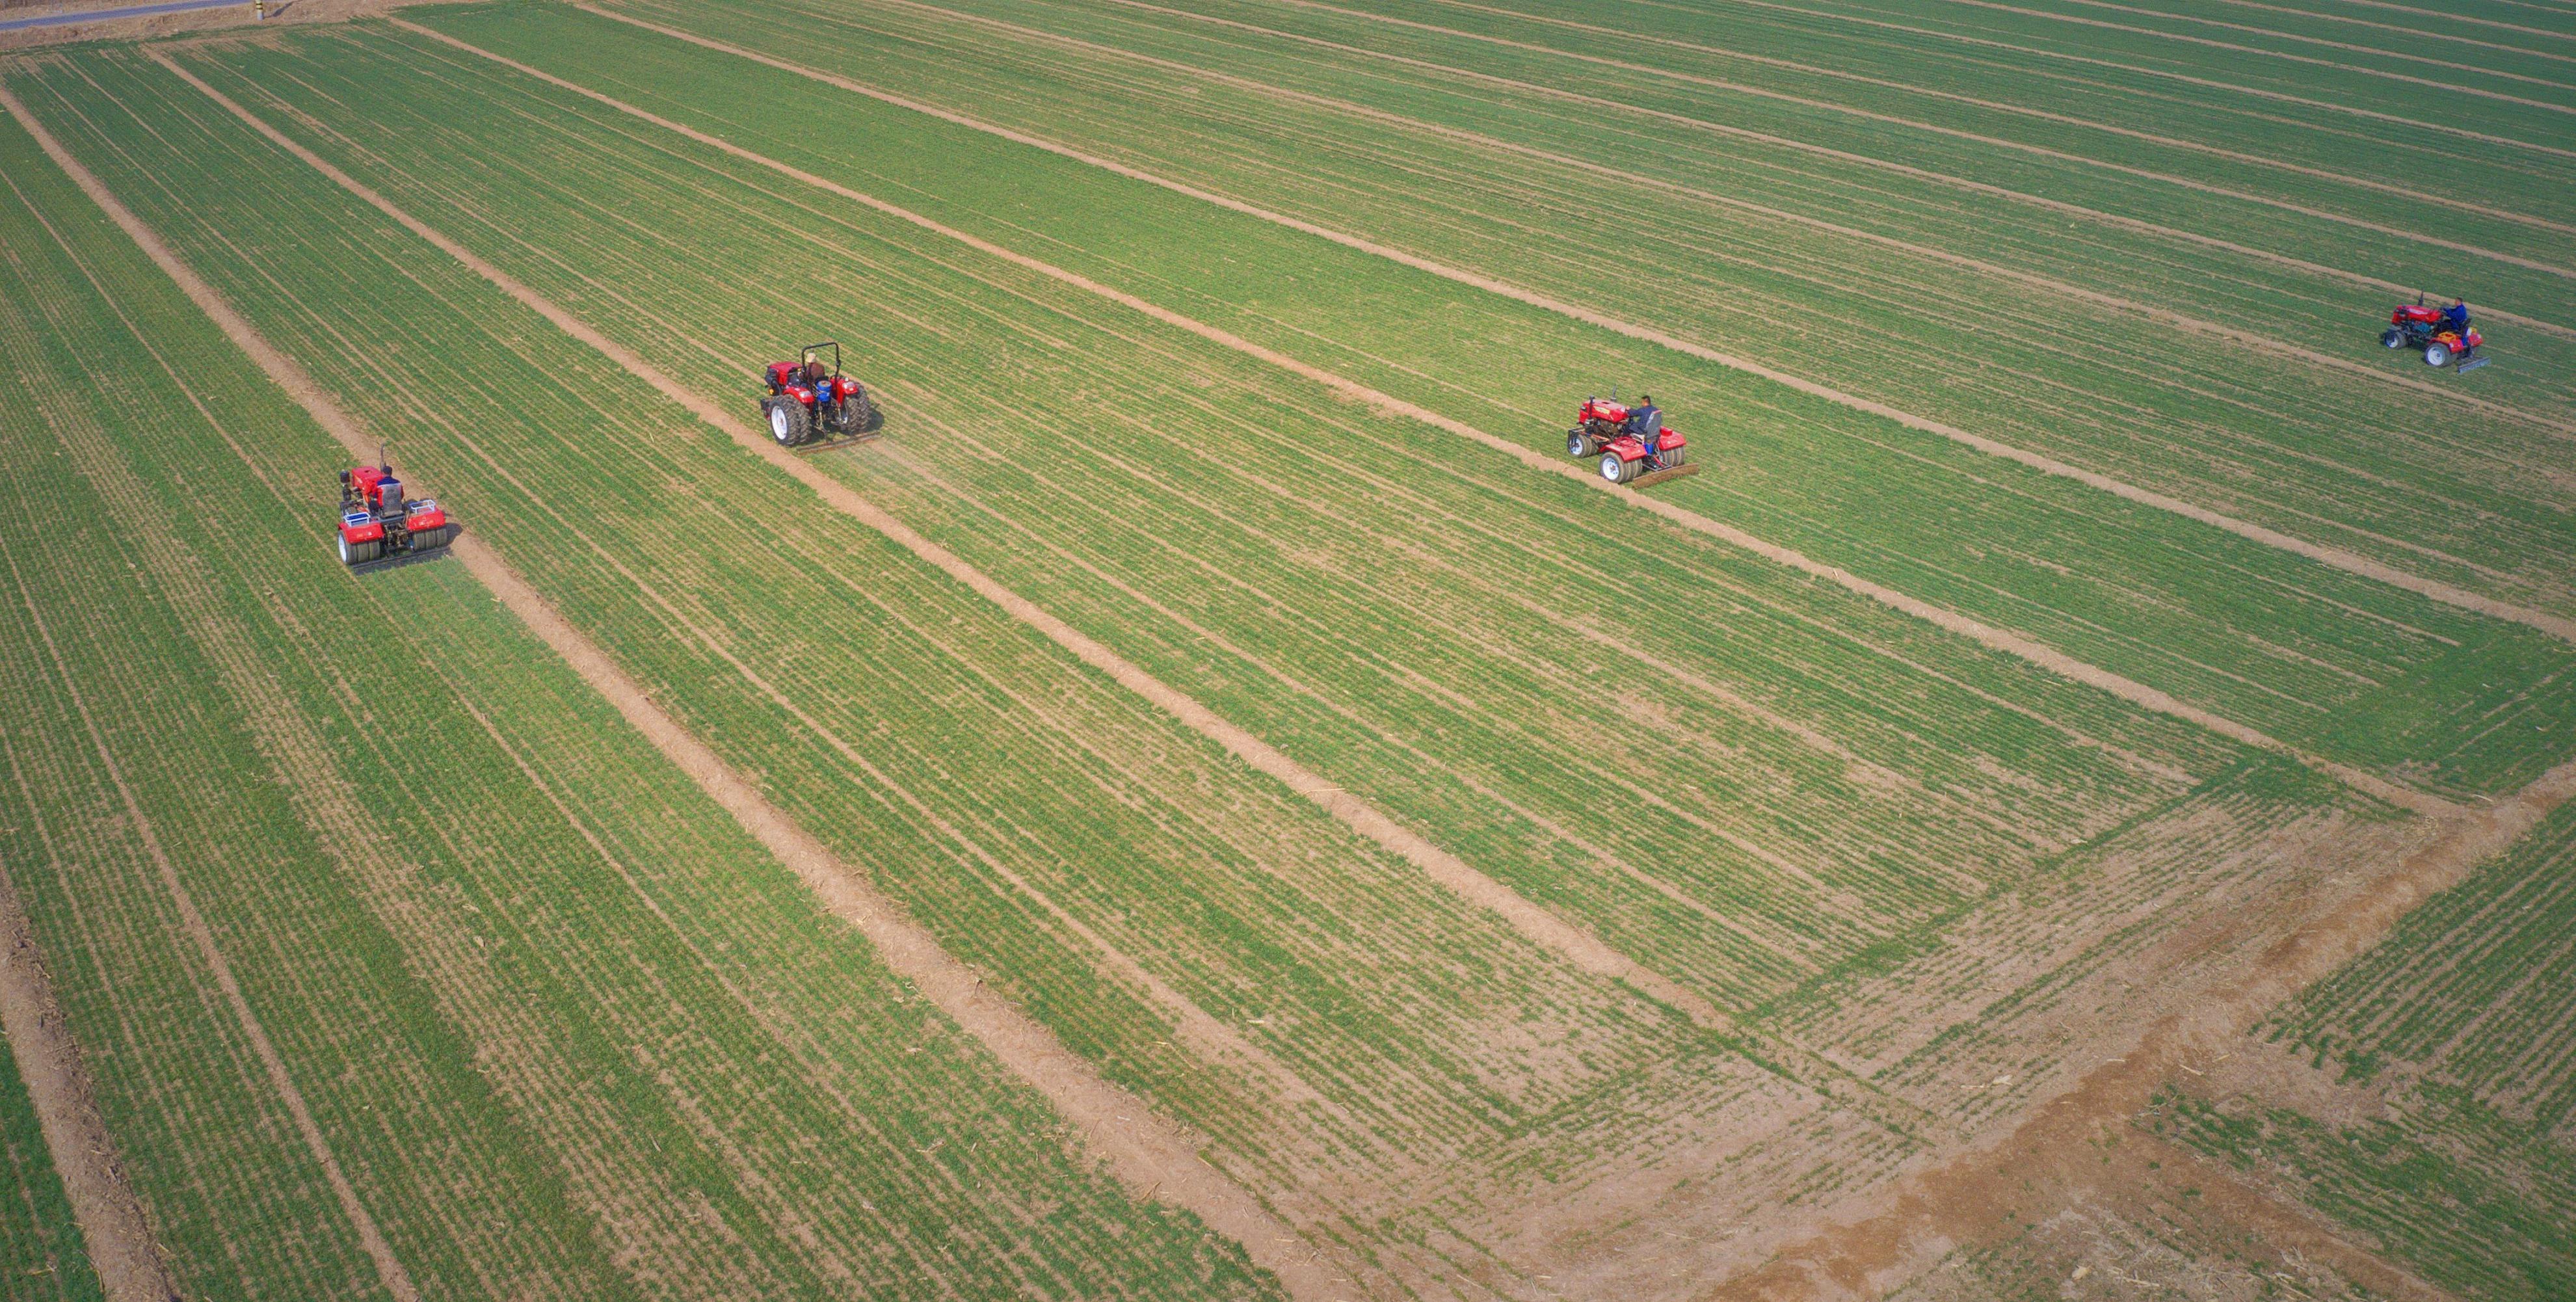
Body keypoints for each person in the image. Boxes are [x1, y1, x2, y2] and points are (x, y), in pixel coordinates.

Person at [1626, 393, 1663, 465]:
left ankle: (1624, 442)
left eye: (1642, 402)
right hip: (1654, 432)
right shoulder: (1656, 410)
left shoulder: (1642, 410)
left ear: (1645, 402)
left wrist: (1629, 409)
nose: (1641, 404)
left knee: (1629, 427)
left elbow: (1633, 413)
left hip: (1644, 431)